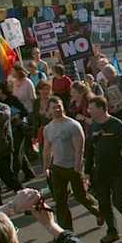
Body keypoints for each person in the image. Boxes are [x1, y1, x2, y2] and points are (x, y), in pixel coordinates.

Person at [85, 96, 122, 243]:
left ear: (100, 108)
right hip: (100, 171)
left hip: (117, 171)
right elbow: (89, 151)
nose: (88, 111)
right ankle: (112, 232)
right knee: (104, 203)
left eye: (91, 108)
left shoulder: (116, 125)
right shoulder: (93, 127)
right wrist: (87, 172)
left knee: (118, 201)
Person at [43, 96, 102, 232]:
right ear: (49, 110)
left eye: (59, 105)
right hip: (57, 168)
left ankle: (99, 212)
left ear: (63, 106)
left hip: (72, 167)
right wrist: (46, 166)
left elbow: (79, 148)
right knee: (60, 200)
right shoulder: (48, 128)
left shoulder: (73, 125)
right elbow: (46, 149)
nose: (57, 109)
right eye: (54, 107)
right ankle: (67, 232)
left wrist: (77, 166)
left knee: (81, 196)